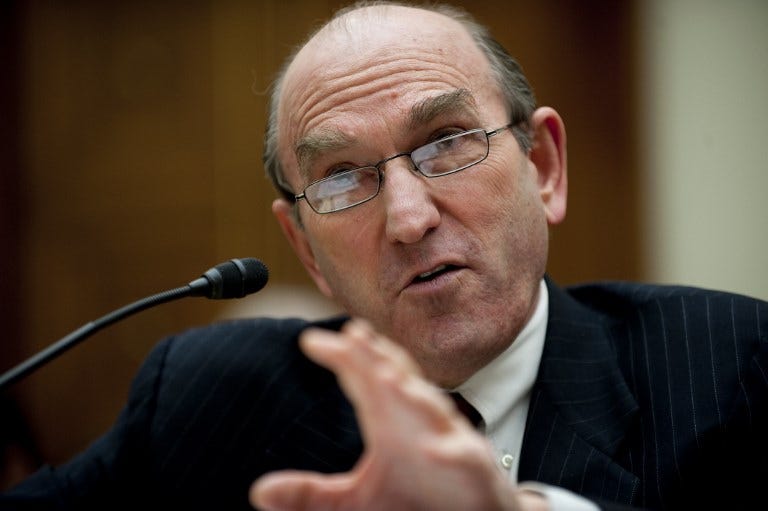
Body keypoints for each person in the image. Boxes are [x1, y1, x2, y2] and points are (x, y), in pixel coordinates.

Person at [3, 1, 767, 510]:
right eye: (343, 178)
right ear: (305, 246)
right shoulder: (208, 399)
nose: (408, 217)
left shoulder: (735, 370)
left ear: (544, 168)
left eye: (447, 144)